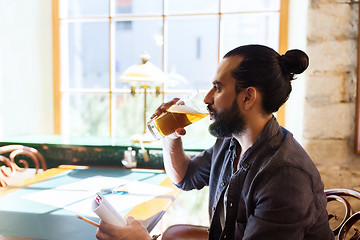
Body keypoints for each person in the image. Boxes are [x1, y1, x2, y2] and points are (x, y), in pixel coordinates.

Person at [96, 44, 334, 240]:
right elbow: (185, 177)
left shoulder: (285, 177)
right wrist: (170, 135)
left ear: (248, 97)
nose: (208, 98)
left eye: (217, 88)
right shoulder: (231, 141)